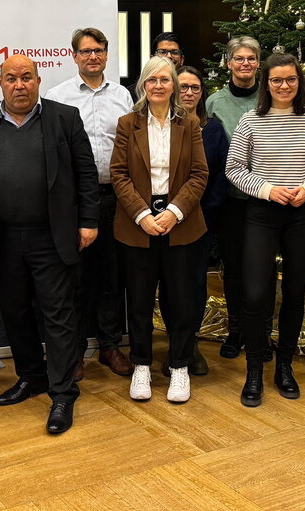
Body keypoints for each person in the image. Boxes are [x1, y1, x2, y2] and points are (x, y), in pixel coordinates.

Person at [0, 55, 99, 433]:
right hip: (2, 236)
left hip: (52, 235)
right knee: (15, 312)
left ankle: (62, 392)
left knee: (57, 315)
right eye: (12, 78)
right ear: (0, 82)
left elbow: (85, 172)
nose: (19, 85)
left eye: (27, 77)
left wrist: (88, 220)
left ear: (39, 80)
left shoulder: (64, 118)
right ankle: (31, 376)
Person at [226, 53, 305, 406]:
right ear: (266, 83)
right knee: (257, 293)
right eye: (277, 80)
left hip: (302, 213)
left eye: (290, 79)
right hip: (262, 213)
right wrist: (268, 189)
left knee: (293, 292)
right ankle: (256, 367)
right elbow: (234, 168)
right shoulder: (251, 120)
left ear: (298, 81)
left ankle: (285, 366)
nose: (284, 86)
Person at [111, 56, 208, 403]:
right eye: (152, 80)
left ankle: (179, 366)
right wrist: (142, 215)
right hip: (137, 225)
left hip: (180, 224)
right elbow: (119, 174)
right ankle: (140, 364)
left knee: (180, 298)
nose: (158, 86)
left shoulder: (190, 123)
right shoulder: (127, 124)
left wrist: (174, 212)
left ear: (174, 86)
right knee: (138, 300)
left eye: (165, 80)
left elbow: (199, 174)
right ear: (143, 85)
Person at [44, 28, 134, 380]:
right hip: (73, 202)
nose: (92, 57)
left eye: (98, 50)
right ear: (74, 56)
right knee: (76, 279)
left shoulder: (124, 96)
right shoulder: (57, 96)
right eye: (85, 52)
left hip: (116, 196)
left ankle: (110, 346)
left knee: (112, 276)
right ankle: (76, 350)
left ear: (107, 55)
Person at [159, 65, 228, 378]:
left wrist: (200, 215)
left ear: (202, 93)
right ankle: (174, 344)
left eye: (195, 88)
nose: (188, 93)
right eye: (183, 87)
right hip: (165, 221)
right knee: (171, 286)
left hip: (200, 222)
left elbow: (217, 179)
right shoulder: (162, 126)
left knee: (194, 286)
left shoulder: (213, 129)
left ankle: (191, 344)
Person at [207, 36, 264, 361]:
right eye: (238, 59)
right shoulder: (215, 102)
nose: (245, 64)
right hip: (229, 200)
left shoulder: (270, 98)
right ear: (228, 63)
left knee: (263, 270)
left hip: (265, 200)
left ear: (258, 62)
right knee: (234, 270)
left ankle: (261, 332)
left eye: (250, 59)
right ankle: (236, 330)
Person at [126, 32, 185, 99]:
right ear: (152, 58)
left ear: (182, 60)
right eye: (163, 52)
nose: (169, 56)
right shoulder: (133, 93)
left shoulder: (189, 91)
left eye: (174, 52)